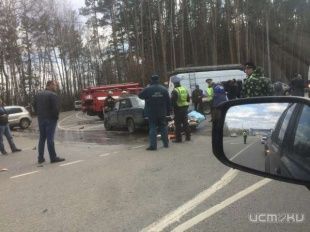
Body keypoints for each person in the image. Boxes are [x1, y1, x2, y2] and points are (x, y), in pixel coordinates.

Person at [33, 80, 65, 163]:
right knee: (50, 139)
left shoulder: (38, 94)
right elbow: (56, 108)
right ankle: (53, 157)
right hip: (50, 119)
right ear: (50, 85)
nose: (56, 87)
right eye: (55, 85)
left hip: (41, 118)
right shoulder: (53, 95)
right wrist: (55, 117)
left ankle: (40, 158)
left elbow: (34, 106)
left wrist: (39, 115)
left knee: (42, 138)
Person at [138, 75, 171, 151]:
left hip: (151, 112)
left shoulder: (148, 89)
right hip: (162, 111)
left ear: (151, 80)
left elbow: (140, 96)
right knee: (163, 127)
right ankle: (166, 143)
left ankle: (153, 146)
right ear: (158, 80)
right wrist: (168, 112)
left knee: (152, 128)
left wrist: (146, 95)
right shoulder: (164, 89)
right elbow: (168, 101)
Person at [171, 76, 191, 143]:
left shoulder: (175, 91)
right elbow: (188, 99)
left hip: (178, 109)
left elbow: (173, 101)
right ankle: (188, 137)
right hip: (185, 108)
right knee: (186, 123)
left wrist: (172, 109)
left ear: (174, 83)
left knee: (178, 124)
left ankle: (178, 139)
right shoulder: (184, 89)